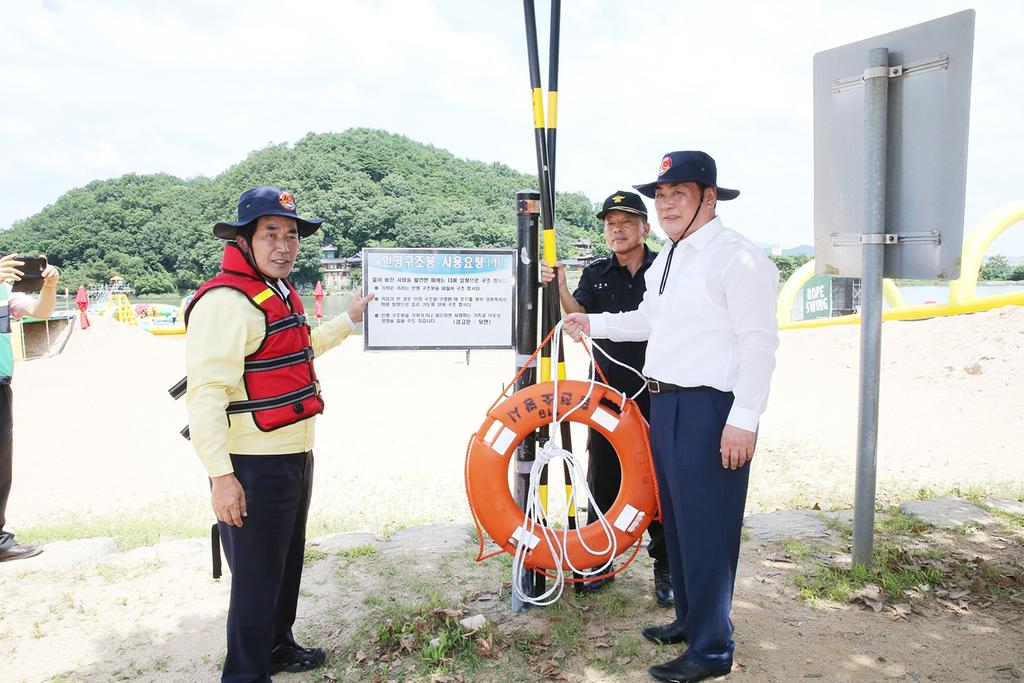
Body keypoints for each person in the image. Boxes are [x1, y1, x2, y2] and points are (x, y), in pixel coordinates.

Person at [563, 152, 779, 683]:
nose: (666, 205)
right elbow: (647, 321)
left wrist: (745, 418)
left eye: (678, 193)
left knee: (707, 527)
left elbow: (759, 344)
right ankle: (689, 619)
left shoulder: (737, 257)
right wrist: (592, 323)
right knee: (680, 523)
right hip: (665, 402)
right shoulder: (670, 259)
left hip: (711, 407)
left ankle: (711, 649)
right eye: (660, 195)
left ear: (710, 197)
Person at [184, 186, 373, 683]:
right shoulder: (224, 303)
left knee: (285, 566)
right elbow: (205, 395)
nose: (284, 246)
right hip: (251, 464)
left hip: (294, 454)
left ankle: (277, 646)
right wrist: (221, 477)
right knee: (255, 580)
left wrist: (349, 319)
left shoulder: (279, 293)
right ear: (244, 241)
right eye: (270, 234)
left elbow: (300, 347)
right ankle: (245, 675)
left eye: (291, 235)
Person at [539, 190, 673, 606]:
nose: (617, 230)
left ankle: (666, 564)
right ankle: (599, 557)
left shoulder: (664, 269)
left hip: (658, 389)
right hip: (605, 390)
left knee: (660, 476)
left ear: (644, 228)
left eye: (626, 222)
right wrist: (562, 287)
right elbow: (576, 312)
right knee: (603, 473)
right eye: (611, 224)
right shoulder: (596, 272)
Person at [0, 253, 60, 562]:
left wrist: (49, 287)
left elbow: (40, 311)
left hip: (1, 382)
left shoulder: (4, 290)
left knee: (1, 465)